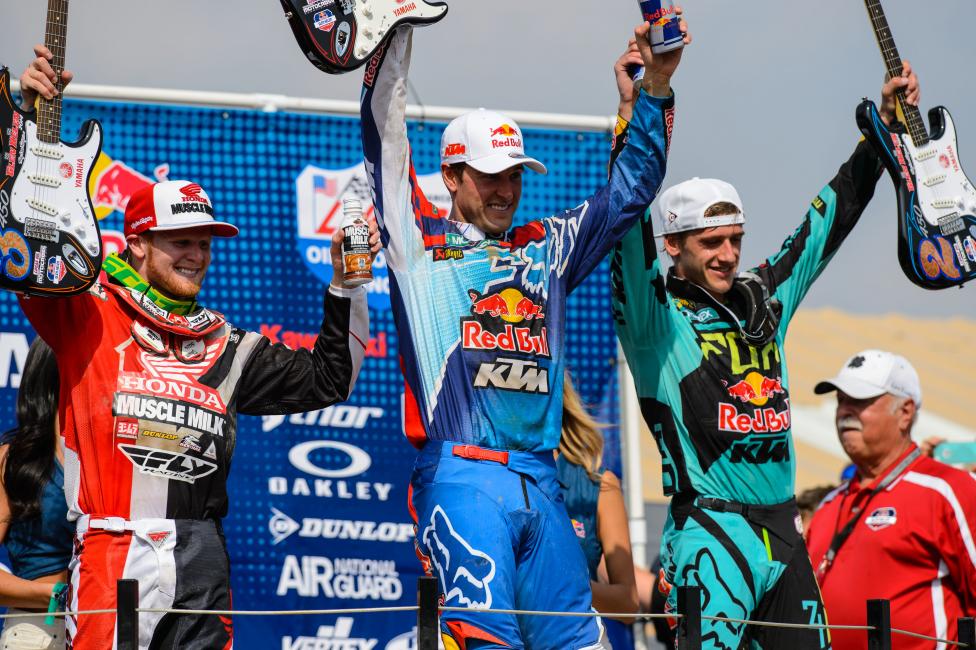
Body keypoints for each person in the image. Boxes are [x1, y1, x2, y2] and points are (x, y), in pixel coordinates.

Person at [18, 46, 380, 650]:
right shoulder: (88, 312)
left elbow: (329, 379)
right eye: (178, 241)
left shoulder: (225, 345)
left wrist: (346, 285)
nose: (195, 255)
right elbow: (27, 243)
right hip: (114, 546)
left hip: (202, 554)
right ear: (135, 244)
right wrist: (33, 123)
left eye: (204, 242)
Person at [359, 15, 688, 649]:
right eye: (489, 176)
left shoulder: (548, 247)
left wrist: (655, 92)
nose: (506, 189)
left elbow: (631, 191)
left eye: (514, 174)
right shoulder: (418, 246)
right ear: (452, 177)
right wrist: (396, 34)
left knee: (580, 644)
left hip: (542, 480)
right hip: (462, 477)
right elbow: (385, 138)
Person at [610, 37, 920, 646]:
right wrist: (641, 106)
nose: (728, 254)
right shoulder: (655, 318)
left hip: (783, 530)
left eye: (735, 238)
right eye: (710, 242)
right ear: (672, 246)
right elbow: (625, 219)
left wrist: (881, 131)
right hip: (710, 529)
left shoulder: (764, 299)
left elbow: (825, 224)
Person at [806, 350, 976, 649]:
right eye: (840, 400)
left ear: (905, 412)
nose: (844, 411)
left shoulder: (947, 489)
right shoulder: (830, 503)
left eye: (859, 400)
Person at [556, 373, 639, 648]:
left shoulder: (600, 485)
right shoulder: (494, 475)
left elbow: (628, 604)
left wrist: (567, 589)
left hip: (577, 640)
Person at [0, 339, 70, 650]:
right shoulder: (13, 461)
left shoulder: (115, 459)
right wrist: (54, 594)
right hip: (39, 632)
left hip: (110, 627)